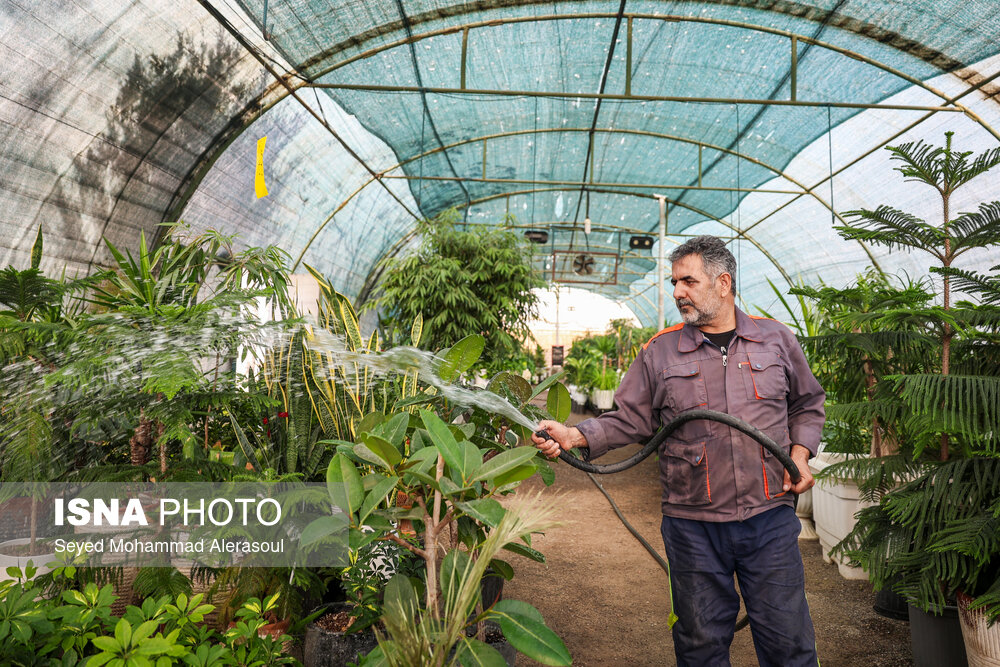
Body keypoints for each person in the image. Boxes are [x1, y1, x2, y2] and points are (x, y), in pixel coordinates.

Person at [532, 235, 824, 667]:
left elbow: (807, 403)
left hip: (768, 518)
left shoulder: (775, 340)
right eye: (674, 282)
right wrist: (575, 436)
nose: (676, 293)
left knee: (788, 643)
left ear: (723, 283)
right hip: (693, 527)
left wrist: (800, 454)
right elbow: (630, 419)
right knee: (699, 645)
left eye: (688, 281)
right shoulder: (660, 350)